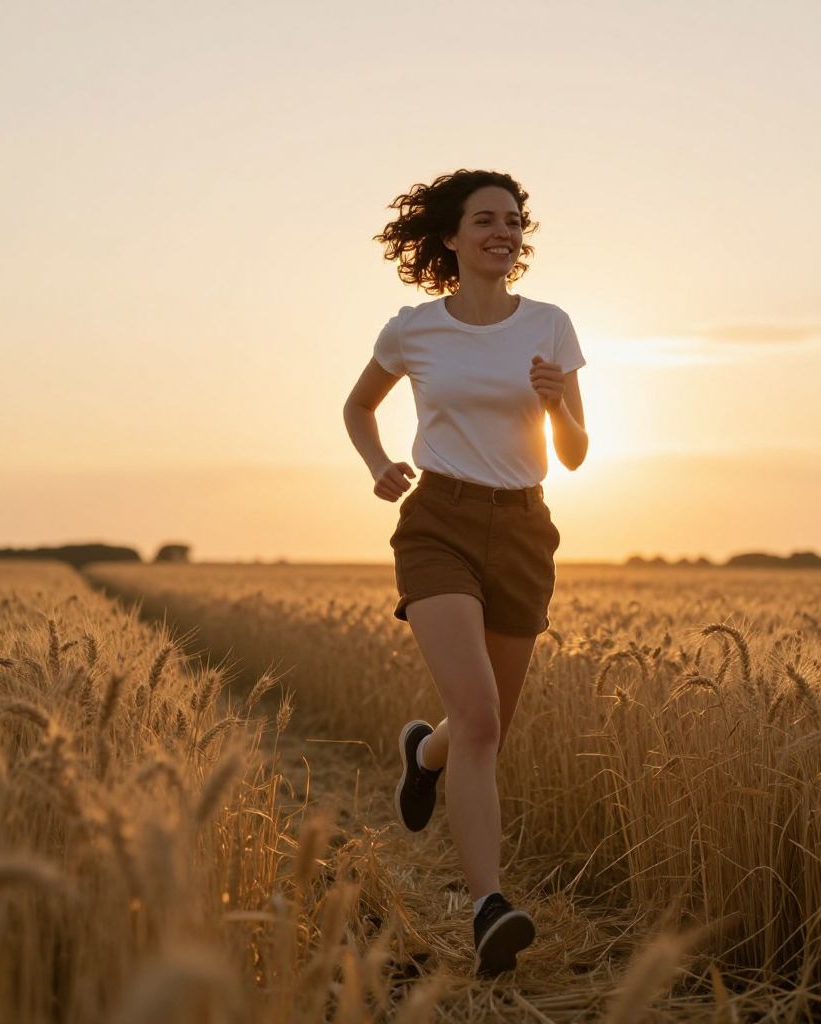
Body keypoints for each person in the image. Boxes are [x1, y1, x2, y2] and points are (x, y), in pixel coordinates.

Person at [342, 169, 588, 976]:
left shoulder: (550, 326)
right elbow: (358, 406)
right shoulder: (413, 330)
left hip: (523, 528)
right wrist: (378, 463)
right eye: (486, 219)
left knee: (485, 728)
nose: (504, 232)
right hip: (438, 523)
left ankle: (425, 757)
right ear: (450, 237)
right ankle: (490, 905)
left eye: (514, 221)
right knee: (479, 715)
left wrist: (556, 404)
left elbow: (578, 454)